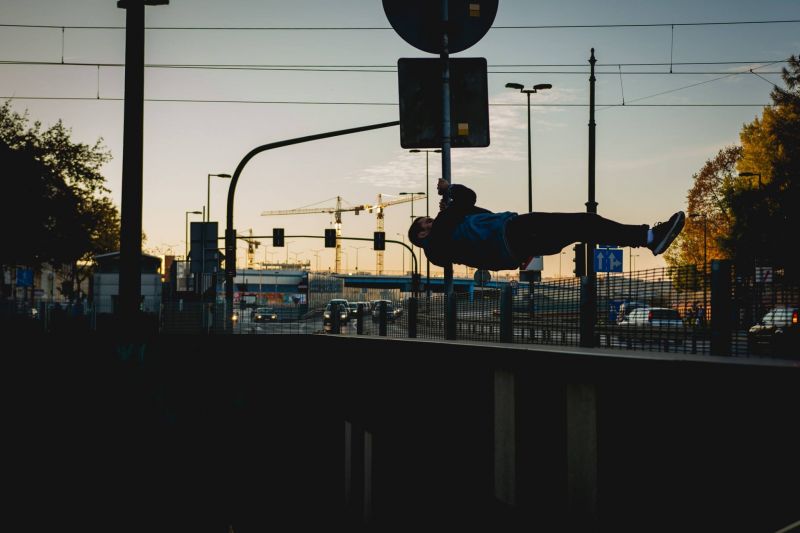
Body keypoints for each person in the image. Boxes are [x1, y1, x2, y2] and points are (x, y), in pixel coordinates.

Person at [408, 179, 685, 272]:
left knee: (582, 229)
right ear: (421, 235)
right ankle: (648, 237)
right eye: (425, 222)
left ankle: (649, 237)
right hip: (513, 231)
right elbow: (468, 197)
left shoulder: (444, 244)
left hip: (514, 251)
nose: (431, 220)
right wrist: (449, 190)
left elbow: (471, 204)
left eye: (429, 218)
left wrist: (453, 207)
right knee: (583, 222)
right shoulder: (443, 230)